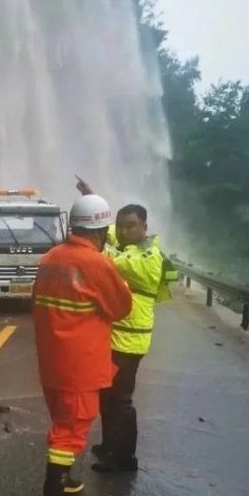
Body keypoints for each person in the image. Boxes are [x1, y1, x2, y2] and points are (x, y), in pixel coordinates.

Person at [33, 194, 132, 496]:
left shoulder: (50, 258)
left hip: (52, 361)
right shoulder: (97, 263)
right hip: (80, 363)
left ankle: (67, 479)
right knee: (72, 428)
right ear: (101, 232)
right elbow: (121, 307)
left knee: (63, 420)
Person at [75, 180, 177, 473]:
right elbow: (106, 234)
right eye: (120, 226)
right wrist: (91, 198)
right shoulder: (128, 244)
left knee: (120, 400)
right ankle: (110, 446)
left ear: (144, 226)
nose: (122, 231)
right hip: (116, 338)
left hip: (129, 343)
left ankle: (124, 459)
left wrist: (87, 244)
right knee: (108, 397)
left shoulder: (148, 256)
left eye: (130, 226)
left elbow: (113, 258)